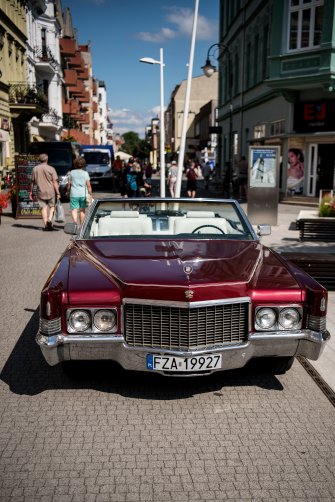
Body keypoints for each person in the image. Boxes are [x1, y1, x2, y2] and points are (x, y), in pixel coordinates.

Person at [30, 153, 61, 231]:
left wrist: (30, 192)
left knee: (43, 208)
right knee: (52, 206)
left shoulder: (35, 169)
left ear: (39, 160)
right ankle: (49, 220)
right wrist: (58, 192)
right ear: (47, 160)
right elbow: (54, 182)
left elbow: (32, 182)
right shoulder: (51, 169)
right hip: (51, 191)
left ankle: (45, 225)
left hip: (40, 191)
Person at [67, 156, 92, 225]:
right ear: (83, 164)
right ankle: (81, 226)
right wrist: (90, 194)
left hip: (74, 194)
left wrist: (68, 191)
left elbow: (69, 184)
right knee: (82, 210)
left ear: (75, 164)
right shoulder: (85, 173)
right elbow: (88, 185)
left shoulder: (71, 173)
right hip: (83, 194)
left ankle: (75, 223)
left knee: (74, 210)